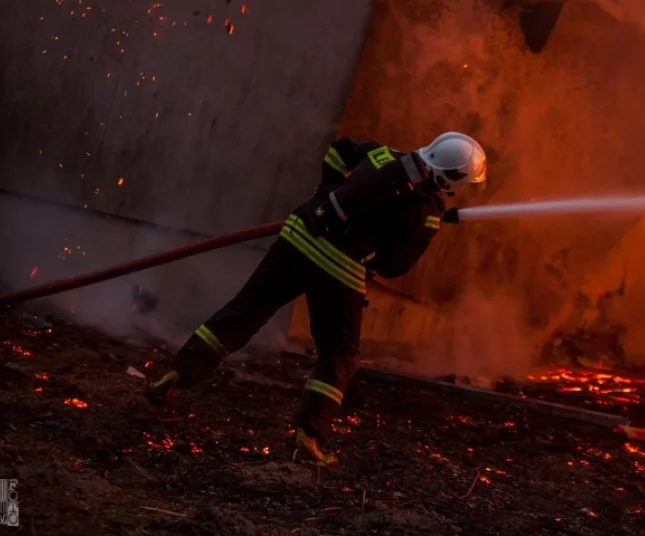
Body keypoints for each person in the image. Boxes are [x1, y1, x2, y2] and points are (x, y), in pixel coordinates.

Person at [144, 132, 487, 464]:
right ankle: (309, 435)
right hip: (338, 272)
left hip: (298, 236)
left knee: (244, 311)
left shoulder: (382, 155)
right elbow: (393, 266)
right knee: (339, 356)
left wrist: (326, 196)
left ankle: (177, 373)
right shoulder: (426, 213)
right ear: (452, 179)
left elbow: (338, 151)